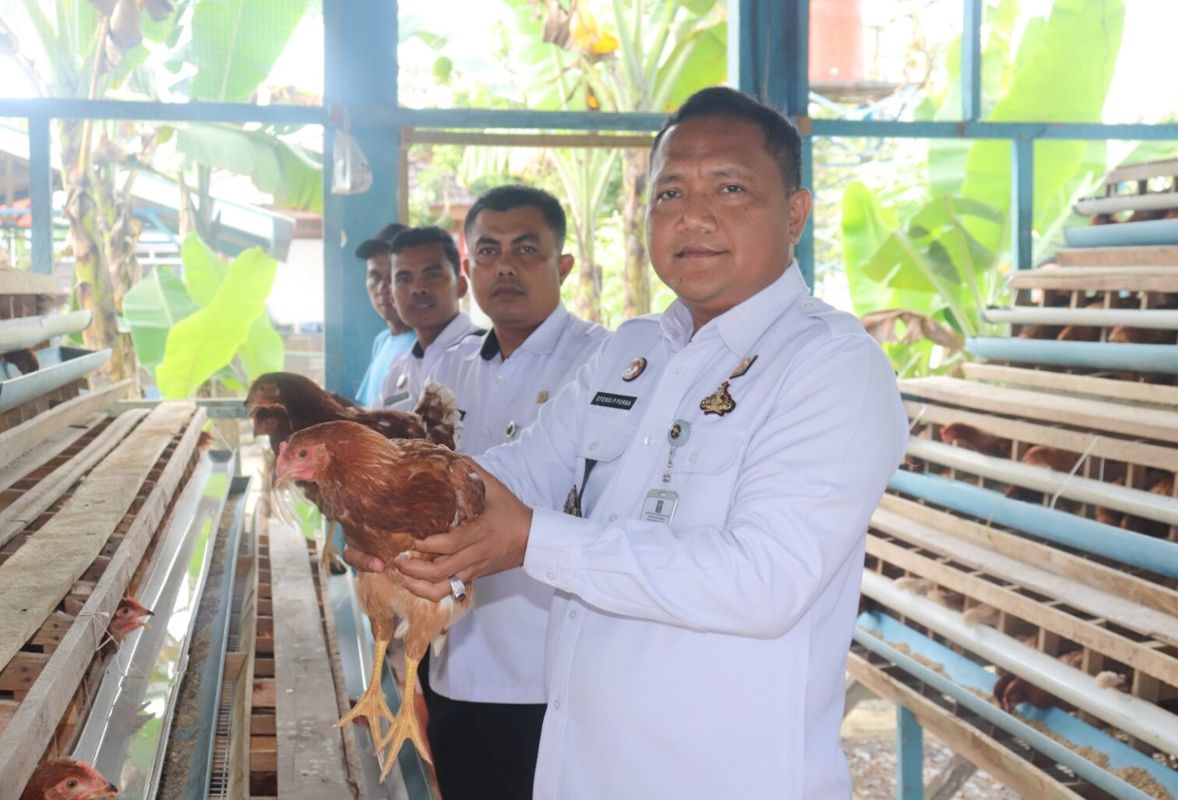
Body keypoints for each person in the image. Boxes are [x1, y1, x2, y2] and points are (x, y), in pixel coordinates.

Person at [350, 86, 908, 798]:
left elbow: (766, 578)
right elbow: (521, 472)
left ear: (794, 213)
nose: (694, 215)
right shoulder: (636, 352)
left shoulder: (831, 365)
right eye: (670, 192)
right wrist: (397, 513)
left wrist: (534, 543)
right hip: (583, 763)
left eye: (730, 188)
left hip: (721, 777)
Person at [418, 185, 608, 800]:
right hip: (456, 663)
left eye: (527, 249)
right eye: (489, 251)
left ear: (564, 265)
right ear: (468, 270)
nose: (505, 266)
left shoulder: (602, 367)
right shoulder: (449, 368)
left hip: (554, 674)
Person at [377, 226, 481, 411]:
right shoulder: (397, 372)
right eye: (404, 279)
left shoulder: (488, 356)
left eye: (432, 275)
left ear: (461, 287)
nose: (418, 289)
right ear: (392, 296)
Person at [352, 223, 416, 408]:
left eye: (394, 277)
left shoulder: (424, 348)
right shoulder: (382, 341)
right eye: (375, 276)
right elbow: (368, 411)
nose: (382, 288)